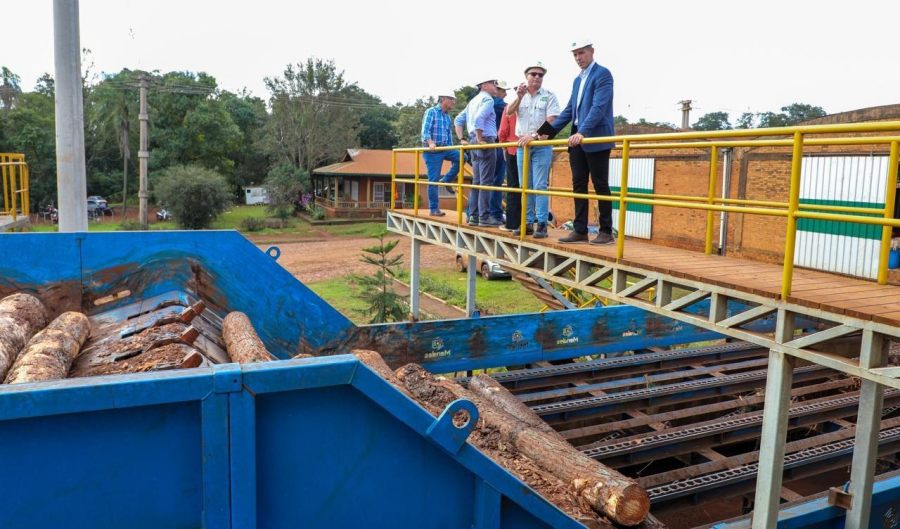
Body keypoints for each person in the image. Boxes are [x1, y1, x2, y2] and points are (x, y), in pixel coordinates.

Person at [551, 39, 615, 244]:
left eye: (582, 53)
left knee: (600, 183)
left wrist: (584, 131)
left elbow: (599, 107)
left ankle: (606, 231)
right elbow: (569, 110)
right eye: (575, 55)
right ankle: (580, 230)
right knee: (578, 183)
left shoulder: (602, 74)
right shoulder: (577, 80)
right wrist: (543, 133)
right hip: (577, 137)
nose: (578, 58)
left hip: (595, 136)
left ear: (592, 51)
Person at [508, 61, 561, 239]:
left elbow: (552, 119)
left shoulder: (549, 96)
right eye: (533, 74)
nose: (537, 77)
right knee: (525, 186)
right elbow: (509, 112)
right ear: (526, 76)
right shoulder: (520, 95)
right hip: (523, 145)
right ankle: (528, 223)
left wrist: (535, 136)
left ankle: (541, 224)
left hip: (541, 145)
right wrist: (519, 97)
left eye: (540, 75)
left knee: (539, 186)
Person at [454, 78, 502, 227]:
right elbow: (479, 119)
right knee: (486, 182)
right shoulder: (488, 100)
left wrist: (462, 138)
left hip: (473, 141)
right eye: (494, 83)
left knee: (477, 181)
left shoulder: (473, 101)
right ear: (484, 85)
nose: (496, 86)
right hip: (484, 140)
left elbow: (458, 120)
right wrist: (481, 138)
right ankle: (484, 217)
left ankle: (474, 216)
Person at [420, 91, 460, 216]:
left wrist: (454, 148)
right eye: (451, 99)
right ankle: (434, 209)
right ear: (443, 99)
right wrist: (431, 143)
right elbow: (425, 131)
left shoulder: (447, 117)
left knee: (463, 156)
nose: (453, 102)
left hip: (445, 148)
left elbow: (448, 136)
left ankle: (447, 179)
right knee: (433, 180)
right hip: (432, 151)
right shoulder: (431, 112)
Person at [498, 100, 526, 233]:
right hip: (531, 149)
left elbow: (502, 131)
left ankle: (513, 224)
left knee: (513, 186)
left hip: (513, 149)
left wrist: (504, 144)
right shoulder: (533, 105)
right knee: (529, 187)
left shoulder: (510, 107)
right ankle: (528, 223)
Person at [489, 81, 510, 223]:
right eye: (503, 90)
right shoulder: (497, 104)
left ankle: (493, 212)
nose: (506, 93)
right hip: (496, 145)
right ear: (496, 90)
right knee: (496, 180)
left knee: (491, 181)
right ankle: (494, 213)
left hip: (494, 144)